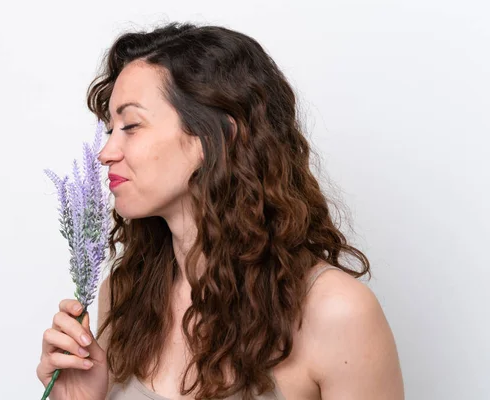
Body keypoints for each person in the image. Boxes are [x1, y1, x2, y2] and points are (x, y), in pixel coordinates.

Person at [37, 22, 404, 400]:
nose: (105, 152)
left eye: (130, 125)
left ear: (217, 137)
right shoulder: (124, 296)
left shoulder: (336, 314)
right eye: (110, 128)